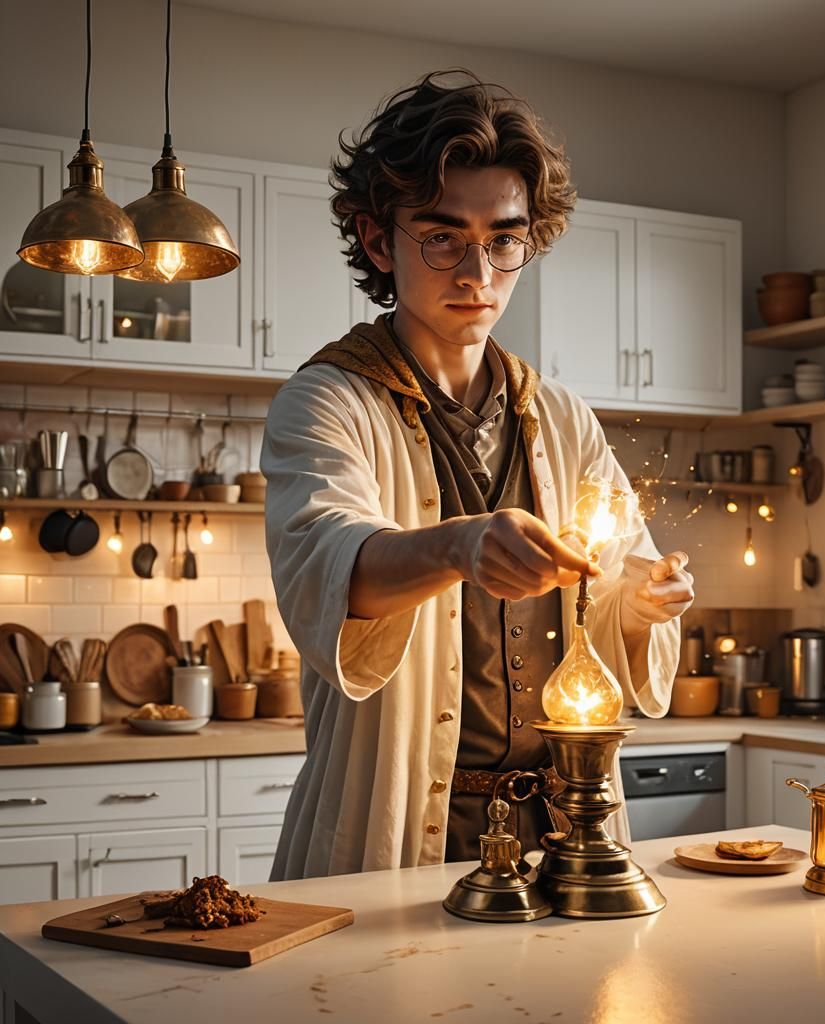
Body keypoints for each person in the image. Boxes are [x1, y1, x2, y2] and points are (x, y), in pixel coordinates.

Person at [263, 69, 694, 880]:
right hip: (393, 825)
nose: (478, 273)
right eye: (443, 236)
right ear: (376, 237)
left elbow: (623, 579)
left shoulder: (562, 415)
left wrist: (645, 601)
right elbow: (327, 567)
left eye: (503, 238)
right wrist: (460, 546)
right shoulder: (324, 401)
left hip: (566, 822)